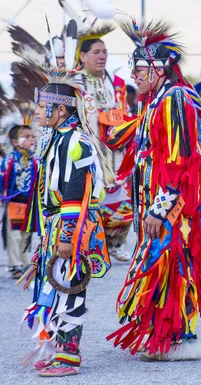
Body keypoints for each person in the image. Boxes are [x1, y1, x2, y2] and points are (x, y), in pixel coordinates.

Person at [107, 19, 201, 361]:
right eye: (133, 68)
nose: (135, 75)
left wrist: (160, 208)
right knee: (159, 264)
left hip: (173, 204)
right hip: (159, 201)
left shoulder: (176, 100)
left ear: (160, 68)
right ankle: (161, 334)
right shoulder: (156, 100)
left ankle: (179, 337)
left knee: (172, 262)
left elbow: (181, 160)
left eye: (140, 68)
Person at [19, 52, 111, 377]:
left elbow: (77, 188)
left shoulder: (76, 141)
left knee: (69, 287)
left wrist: (68, 236)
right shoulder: (54, 139)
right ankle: (57, 346)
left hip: (74, 223)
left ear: (61, 109)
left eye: (44, 108)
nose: (39, 113)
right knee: (54, 286)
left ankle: (69, 356)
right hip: (56, 224)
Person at [73, 22, 133, 262]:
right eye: (96, 52)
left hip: (114, 148)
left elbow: (125, 112)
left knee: (119, 193)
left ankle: (115, 242)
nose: (102, 56)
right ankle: (89, 244)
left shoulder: (117, 83)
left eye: (104, 51)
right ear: (83, 56)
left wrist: (125, 135)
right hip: (86, 148)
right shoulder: (74, 83)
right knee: (89, 195)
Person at [0, 123, 35, 279]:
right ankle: (15, 265)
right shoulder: (9, 160)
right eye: (27, 137)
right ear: (15, 142)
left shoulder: (35, 160)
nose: (31, 139)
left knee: (26, 234)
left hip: (29, 203)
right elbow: (2, 180)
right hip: (14, 202)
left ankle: (26, 262)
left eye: (32, 136)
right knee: (14, 234)